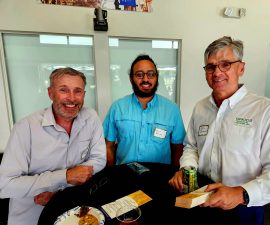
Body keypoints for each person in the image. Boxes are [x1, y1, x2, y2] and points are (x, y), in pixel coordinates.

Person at [168, 36, 270, 225]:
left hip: (244, 208)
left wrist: (241, 194)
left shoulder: (267, 111)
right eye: (211, 67)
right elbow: (191, 147)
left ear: (241, 68)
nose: (217, 72)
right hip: (202, 199)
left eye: (225, 64)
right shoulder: (200, 108)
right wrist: (187, 169)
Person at [0, 67, 106, 225]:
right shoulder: (25, 128)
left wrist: (58, 191)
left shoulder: (91, 117)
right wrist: (65, 176)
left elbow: (99, 159)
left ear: (84, 94)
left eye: (78, 91)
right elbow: (6, 184)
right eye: (64, 90)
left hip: (76, 210)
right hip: (33, 215)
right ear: (50, 93)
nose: (72, 98)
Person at [103, 54, 186, 166]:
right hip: (124, 175)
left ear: (157, 77)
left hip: (160, 177)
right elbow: (108, 146)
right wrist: (110, 175)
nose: (145, 79)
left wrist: (176, 174)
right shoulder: (117, 108)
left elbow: (178, 148)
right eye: (139, 75)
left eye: (151, 74)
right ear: (131, 79)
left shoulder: (172, 110)